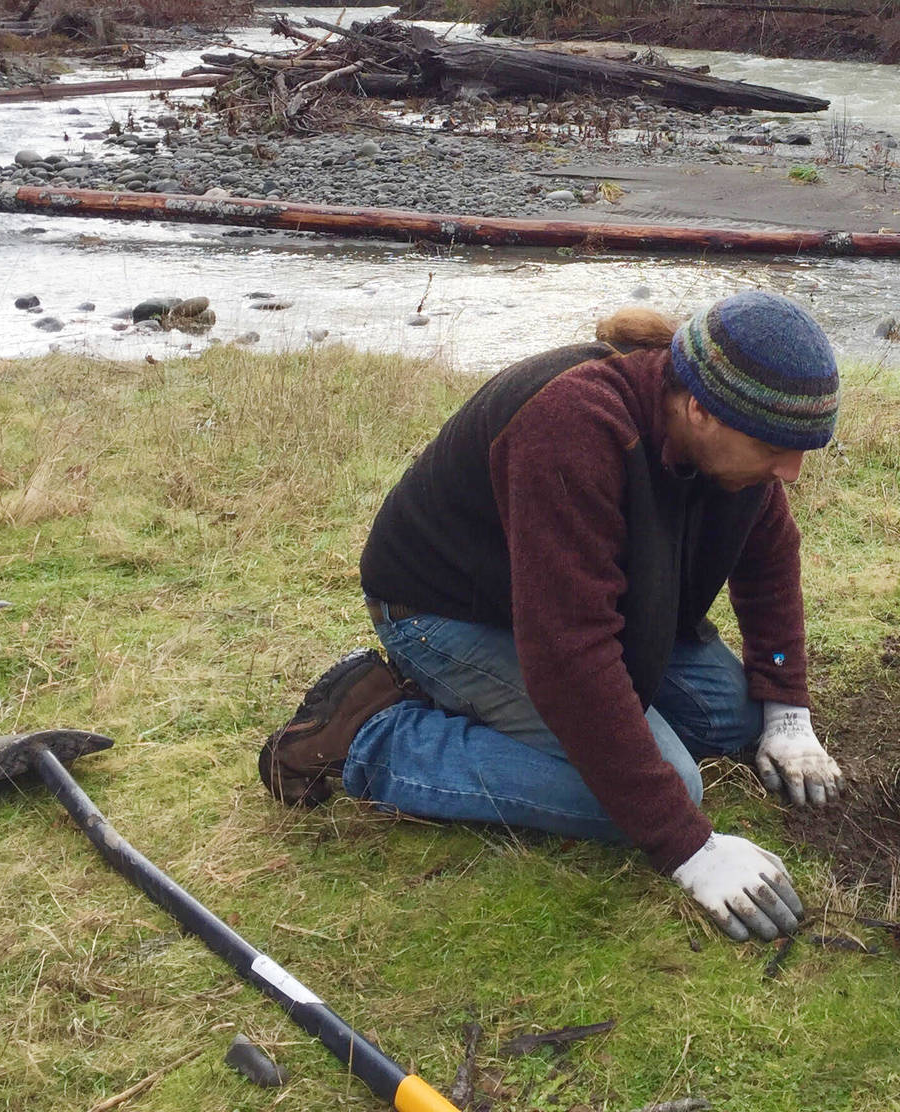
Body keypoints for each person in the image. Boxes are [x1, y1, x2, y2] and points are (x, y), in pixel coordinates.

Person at [258, 292, 846, 944]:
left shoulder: (731, 439)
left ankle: (473, 707)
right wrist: (690, 848)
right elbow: (571, 659)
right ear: (701, 412)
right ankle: (370, 739)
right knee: (668, 785)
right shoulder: (572, 426)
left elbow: (768, 564)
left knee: (734, 718)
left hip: (577, 602)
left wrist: (787, 709)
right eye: (776, 450)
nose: (791, 472)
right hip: (447, 613)